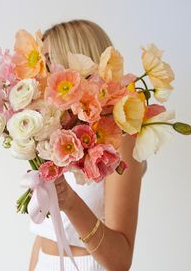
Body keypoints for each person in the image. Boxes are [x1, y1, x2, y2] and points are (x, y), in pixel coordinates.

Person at [28, 19, 147, 271]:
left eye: (49, 60)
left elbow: (120, 261)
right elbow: (46, 234)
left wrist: (69, 201)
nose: (41, 73)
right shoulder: (54, 134)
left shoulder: (120, 141)